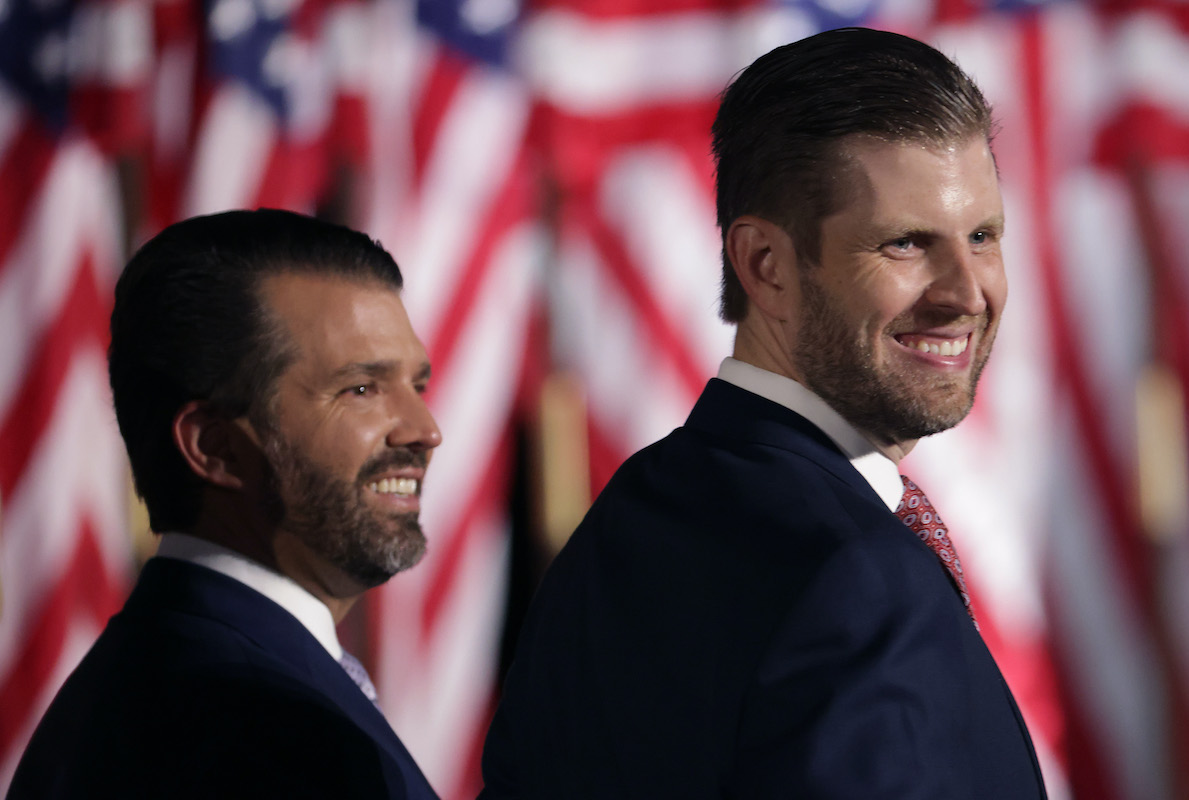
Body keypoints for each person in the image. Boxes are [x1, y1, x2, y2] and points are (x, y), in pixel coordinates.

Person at [479, 27, 1046, 799]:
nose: (966, 291)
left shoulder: (622, 522)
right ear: (765, 266)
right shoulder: (859, 577)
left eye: (982, 236)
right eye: (906, 244)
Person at [9, 209, 442, 798]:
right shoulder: (265, 732)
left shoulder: (156, 680)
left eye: (417, 385)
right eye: (361, 389)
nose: (425, 430)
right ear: (214, 447)